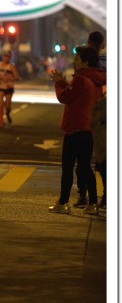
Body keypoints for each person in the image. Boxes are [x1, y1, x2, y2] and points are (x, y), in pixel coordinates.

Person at [48, 45, 106, 215]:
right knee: (85, 167)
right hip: (88, 129)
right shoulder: (96, 79)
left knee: (68, 167)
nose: (74, 62)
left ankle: (63, 202)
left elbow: (64, 97)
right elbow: (78, 96)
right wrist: (65, 84)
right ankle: (93, 203)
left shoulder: (81, 79)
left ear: (85, 62)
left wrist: (59, 82)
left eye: (77, 59)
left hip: (75, 129)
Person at [74, 31, 107, 207]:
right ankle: (106, 196)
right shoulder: (107, 62)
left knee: (82, 160)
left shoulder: (86, 67)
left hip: (86, 117)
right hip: (104, 115)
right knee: (104, 159)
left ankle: (83, 195)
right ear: (102, 44)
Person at [0, 50, 19, 127]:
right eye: (5, 56)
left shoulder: (11, 66)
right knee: (0, 104)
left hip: (8, 87)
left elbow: (16, 77)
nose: (6, 58)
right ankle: (1, 122)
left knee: (8, 106)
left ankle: (7, 113)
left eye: (7, 57)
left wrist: (9, 78)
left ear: (10, 58)